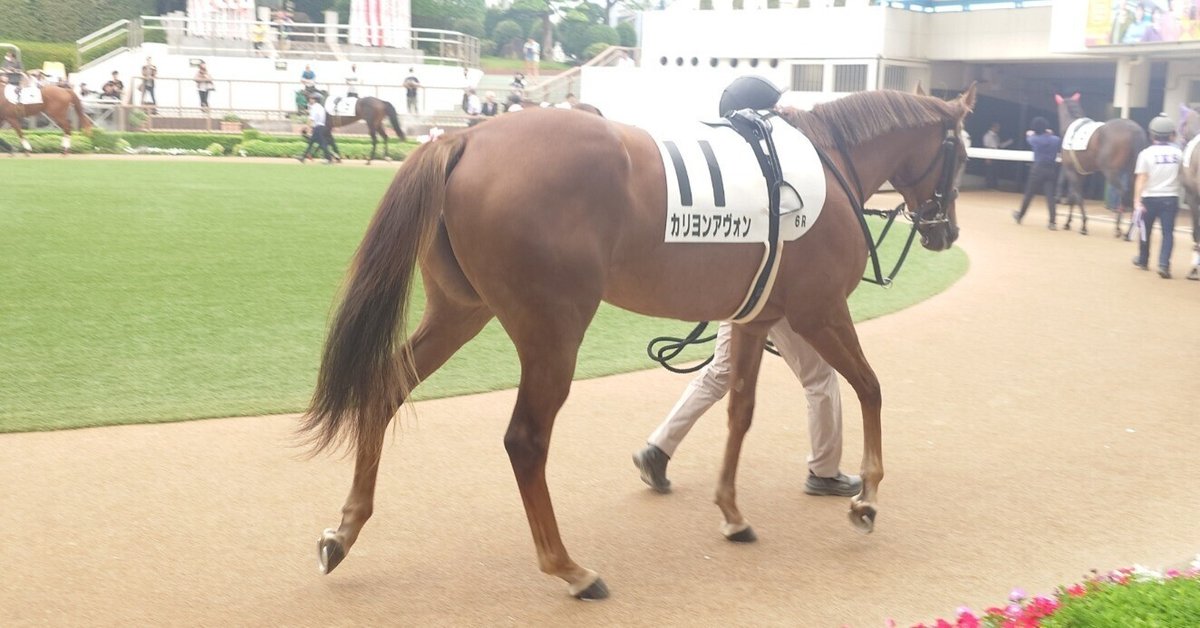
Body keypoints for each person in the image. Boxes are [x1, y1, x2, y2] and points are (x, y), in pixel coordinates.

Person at [632, 321, 862, 497]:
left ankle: (658, 450)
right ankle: (825, 472)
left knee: (718, 374)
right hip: (778, 294)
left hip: (741, 296)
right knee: (819, 377)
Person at [1131, 114, 1183, 279]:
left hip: (1150, 197)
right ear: (1171, 134)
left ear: (1151, 134)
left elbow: (1142, 178)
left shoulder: (1146, 154)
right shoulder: (1178, 153)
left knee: (1146, 230)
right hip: (1171, 197)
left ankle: (1143, 260)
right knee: (1168, 232)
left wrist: (1137, 200)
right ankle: (1163, 264)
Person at [1013, 116, 1062, 229]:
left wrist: (1031, 133)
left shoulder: (1034, 139)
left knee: (1029, 194)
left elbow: (1029, 137)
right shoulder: (1055, 139)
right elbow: (1055, 138)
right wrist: (1049, 133)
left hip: (1038, 168)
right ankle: (1052, 222)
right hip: (1051, 169)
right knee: (1050, 196)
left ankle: (1020, 215)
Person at [298, 93, 334, 164]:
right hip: (320, 127)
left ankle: (329, 159)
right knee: (311, 143)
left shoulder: (314, 107)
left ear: (315, 100)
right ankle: (303, 157)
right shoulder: (320, 107)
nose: (310, 100)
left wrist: (306, 128)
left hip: (318, 128)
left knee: (322, 144)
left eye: (312, 98)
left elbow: (311, 119)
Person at [982, 121, 1013, 189]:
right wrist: (987, 157)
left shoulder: (996, 136)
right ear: (993, 127)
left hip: (996, 155)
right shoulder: (987, 136)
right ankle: (988, 187)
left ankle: (993, 186)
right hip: (990, 155)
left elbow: (999, 145)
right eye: (997, 127)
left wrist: (1009, 142)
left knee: (994, 171)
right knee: (989, 172)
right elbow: (986, 147)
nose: (998, 129)